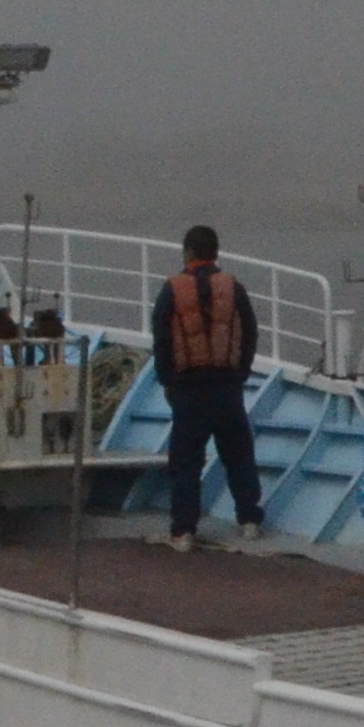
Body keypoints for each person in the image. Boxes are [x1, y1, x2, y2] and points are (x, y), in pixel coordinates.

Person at [150, 225, 266, 546]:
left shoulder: (172, 291)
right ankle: (249, 520)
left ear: (188, 252)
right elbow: (249, 334)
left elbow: (162, 341)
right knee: (239, 455)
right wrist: (240, 373)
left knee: (186, 461)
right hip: (228, 388)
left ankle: (184, 530)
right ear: (215, 254)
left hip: (189, 390)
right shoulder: (234, 289)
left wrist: (168, 382)